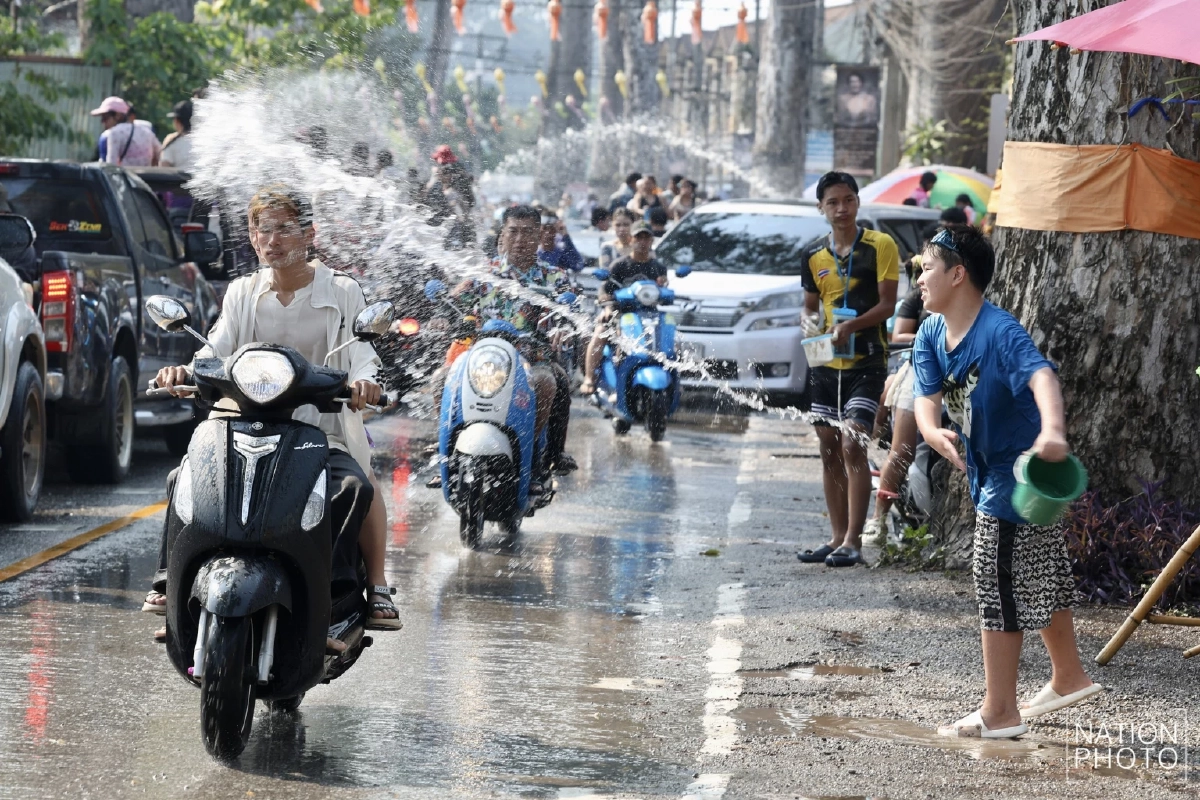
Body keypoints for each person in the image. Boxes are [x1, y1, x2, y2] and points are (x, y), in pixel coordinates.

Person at [145, 188, 402, 636]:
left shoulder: (342, 291)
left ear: (309, 234)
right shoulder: (242, 293)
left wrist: (365, 384)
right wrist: (182, 371)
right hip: (242, 423)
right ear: (251, 236)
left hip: (321, 428)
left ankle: (367, 587)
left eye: (285, 228)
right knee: (183, 477)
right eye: (264, 229)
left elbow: (363, 354)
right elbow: (216, 349)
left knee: (355, 486)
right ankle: (172, 576)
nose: (274, 239)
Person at [911, 224, 1101, 739]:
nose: (919, 277)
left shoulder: (1000, 331)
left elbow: (1042, 376)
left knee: (996, 580)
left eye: (927, 267)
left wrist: (1054, 433)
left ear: (957, 273)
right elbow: (925, 398)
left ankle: (1000, 711)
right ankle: (1068, 676)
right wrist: (930, 431)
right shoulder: (931, 332)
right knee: (1038, 570)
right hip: (987, 470)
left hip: (1019, 475)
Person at [796, 171, 899, 568]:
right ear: (821, 208)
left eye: (848, 200)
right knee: (827, 447)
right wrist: (808, 324)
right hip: (825, 363)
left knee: (853, 444)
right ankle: (836, 537)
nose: (842, 209)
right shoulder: (812, 254)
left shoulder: (880, 245)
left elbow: (888, 305)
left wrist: (850, 326)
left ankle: (855, 541)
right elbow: (809, 305)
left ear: (857, 202)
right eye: (833, 202)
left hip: (866, 360)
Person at [445, 205, 578, 475]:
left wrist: (564, 326)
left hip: (533, 361)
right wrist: (440, 315)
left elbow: (571, 313)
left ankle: (539, 458)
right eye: (513, 232)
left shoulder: (555, 278)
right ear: (502, 236)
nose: (520, 240)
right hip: (483, 361)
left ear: (540, 236)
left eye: (528, 233)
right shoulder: (483, 275)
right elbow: (453, 303)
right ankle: (447, 452)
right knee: (441, 380)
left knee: (552, 381)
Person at [865, 222, 938, 542]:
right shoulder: (919, 298)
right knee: (903, 449)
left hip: (958, 376)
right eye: (922, 268)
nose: (922, 278)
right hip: (919, 370)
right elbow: (900, 335)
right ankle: (878, 519)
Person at [580, 221, 667, 396]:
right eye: (638, 237)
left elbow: (663, 290)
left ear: (652, 241)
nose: (642, 241)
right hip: (621, 313)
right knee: (600, 333)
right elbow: (605, 289)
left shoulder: (658, 267)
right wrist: (607, 308)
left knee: (672, 339)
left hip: (650, 315)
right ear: (631, 239)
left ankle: (674, 378)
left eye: (646, 237)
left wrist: (665, 289)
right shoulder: (620, 265)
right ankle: (589, 378)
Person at [91, 96, 161, 167]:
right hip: (147, 176)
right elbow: (160, 154)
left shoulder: (114, 133)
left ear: (117, 115)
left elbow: (111, 166)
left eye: (105, 118)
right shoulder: (146, 130)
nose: (103, 122)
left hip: (126, 176)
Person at [159, 100, 195, 170]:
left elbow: (163, 168)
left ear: (177, 120)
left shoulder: (171, 140)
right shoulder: (205, 140)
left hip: (178, 180)